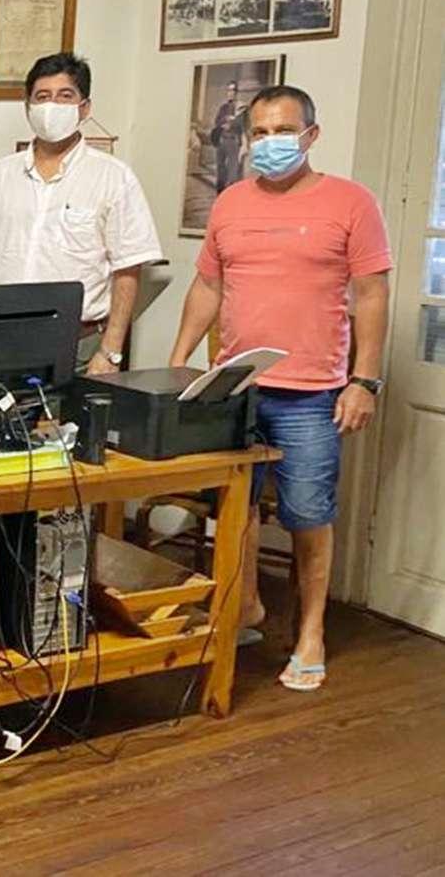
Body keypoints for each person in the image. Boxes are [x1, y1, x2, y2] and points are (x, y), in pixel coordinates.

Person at [169, 84, 392, 693]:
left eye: (283, 132)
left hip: (312, 392)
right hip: (235, 389)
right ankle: (244, 607)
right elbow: (208, 287)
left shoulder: (351, 203)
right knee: (233, 504)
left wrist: (364, 382)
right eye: (260, 133)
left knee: (308, 514)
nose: (270, 144)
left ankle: (310, 631)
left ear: (311, 135)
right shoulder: (230, 203)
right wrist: (178, 362)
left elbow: (372, 294)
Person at [0, 51, 163, 375]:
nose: (52, 106)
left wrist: (110, 352)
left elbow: (127, 271)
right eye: (42, 97)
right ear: (28, 107)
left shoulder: (114, 178)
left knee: (72, 413)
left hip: (79, 346)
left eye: (65, 96)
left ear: (84, 108)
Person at [211, 80, 245, 192]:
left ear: (237, 92)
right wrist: (225, 120)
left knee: (232, 173)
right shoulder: (223, 107)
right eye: (229, 90)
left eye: (233, 90)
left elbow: (243, 125)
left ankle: (230, 196)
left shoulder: (241, 108)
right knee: (220, 170)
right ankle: (219, 195)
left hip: (233, 142)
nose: (230, 93)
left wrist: (233, 122)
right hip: (222, 141)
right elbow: (217, 121)